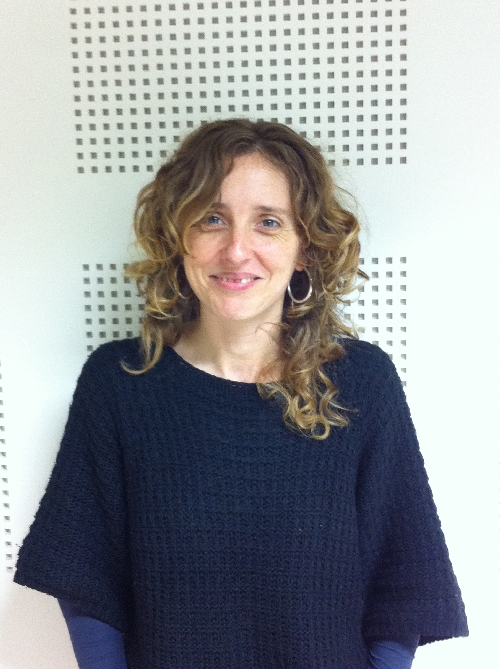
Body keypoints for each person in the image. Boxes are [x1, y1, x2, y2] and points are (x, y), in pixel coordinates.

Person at [14, 119, 468, 669]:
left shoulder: (360, 383)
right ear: (178, 236)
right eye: (212, 219)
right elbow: (87, 580)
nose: (236, 250)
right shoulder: (120, 383)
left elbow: (406, 580)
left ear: (304, 248)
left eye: (268, 222)